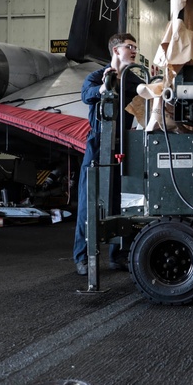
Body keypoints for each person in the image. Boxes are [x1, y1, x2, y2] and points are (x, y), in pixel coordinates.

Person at [73, 33, 143, 276]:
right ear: (116, 50)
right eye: (129, 46)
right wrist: (104, 87)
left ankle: (119, 255)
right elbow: (86, 95)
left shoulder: (132, 79)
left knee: (120, 200)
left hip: (122, 145)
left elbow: (148, 94)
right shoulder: (97, 76)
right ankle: (82, 257)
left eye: (135, 46)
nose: (134, 50)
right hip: (98, 144)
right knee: (88, 202)